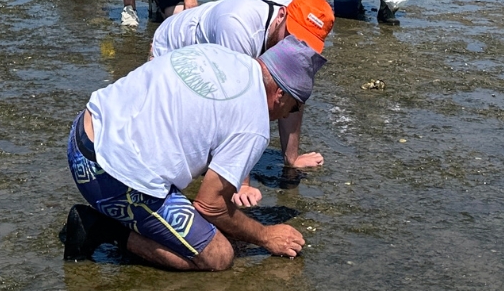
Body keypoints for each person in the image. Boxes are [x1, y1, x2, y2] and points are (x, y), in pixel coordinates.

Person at [59, 38, 322, 269]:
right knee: (218, 255)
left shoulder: (222, 54)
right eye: (295, 106)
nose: (289, 115)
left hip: (80, 138)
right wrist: (266, 235)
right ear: (279, 95)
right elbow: (210, 205)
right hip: (106, 177)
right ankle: (101, 229)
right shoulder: (254, 123)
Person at [150, 0, 335, 198]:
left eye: (304, 43)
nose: (292, 46)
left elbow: (293, 95)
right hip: (175, 48)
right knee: (176, 145)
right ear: (282, 15)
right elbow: (237, 104)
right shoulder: (238, 27)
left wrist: (292, 159)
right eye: (290, 35)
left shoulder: (291, 19)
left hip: (214, 47)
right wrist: (241, 182)